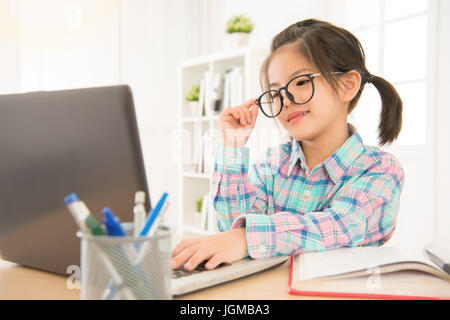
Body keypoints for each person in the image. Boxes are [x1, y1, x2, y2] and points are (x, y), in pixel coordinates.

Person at [171, 18, 405, 272]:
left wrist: (247, 238)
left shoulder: (380, 169)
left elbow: (340, 225)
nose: (286, 101)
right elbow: (231, 228)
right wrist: (233, 146)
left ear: (347, 85)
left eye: (301, 82)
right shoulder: (272, 165)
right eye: (275, 93)